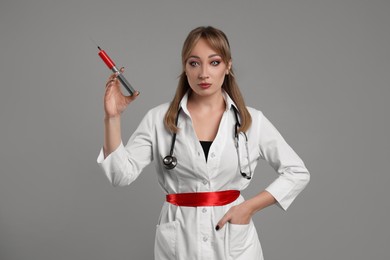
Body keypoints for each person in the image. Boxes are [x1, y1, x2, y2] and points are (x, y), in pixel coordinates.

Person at [97, 26, 310, 260]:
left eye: (214, 62)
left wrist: (248, 207)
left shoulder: (252, 121)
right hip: (179, 241)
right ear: (185, 68)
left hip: (234, 241)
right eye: (194, 63)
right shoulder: (158, 119)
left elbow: (297, 172)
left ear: (228, 66)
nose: (204, 74)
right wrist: (113, 118)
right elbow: (120, 175)